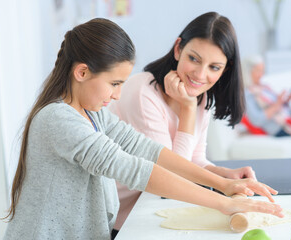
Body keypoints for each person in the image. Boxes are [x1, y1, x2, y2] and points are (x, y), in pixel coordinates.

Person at [108, 12, 257, 232]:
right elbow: (170, 180)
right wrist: (188, 110)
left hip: (154, 213)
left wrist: (225, 174)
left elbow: (194, 160)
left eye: (214, 67)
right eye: (194, 59)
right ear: (178, 49)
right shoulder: (143, 92)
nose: (200, 74)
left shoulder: (201, 96)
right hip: (123, 222)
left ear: (225, 69)